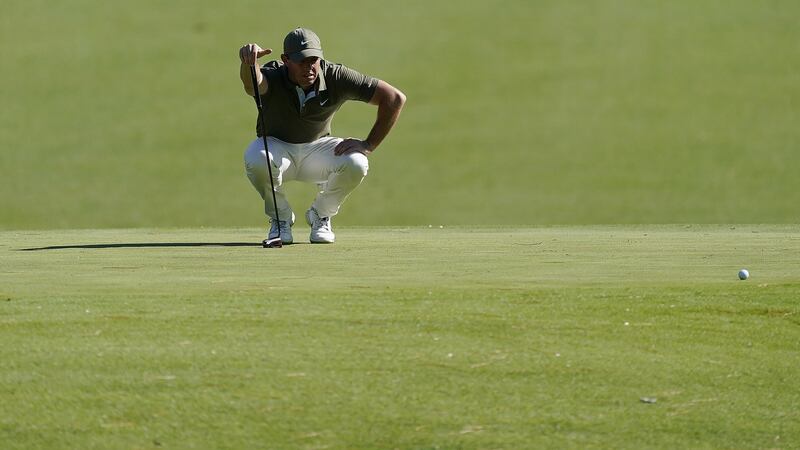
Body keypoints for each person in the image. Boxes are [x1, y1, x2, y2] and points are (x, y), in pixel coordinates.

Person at [239, 27, 406, 245]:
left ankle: (320, 214)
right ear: (286, 60)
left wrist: (368, 144)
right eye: (301, 61)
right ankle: (280, 219)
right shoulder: (273, 75)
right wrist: (248, 64)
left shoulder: (335, 75)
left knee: (357, 162)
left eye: (314, 60)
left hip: (318, 149)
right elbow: (252, 83)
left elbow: (394, 98)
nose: (309, 67)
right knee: (257, 156)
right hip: (277, 149)